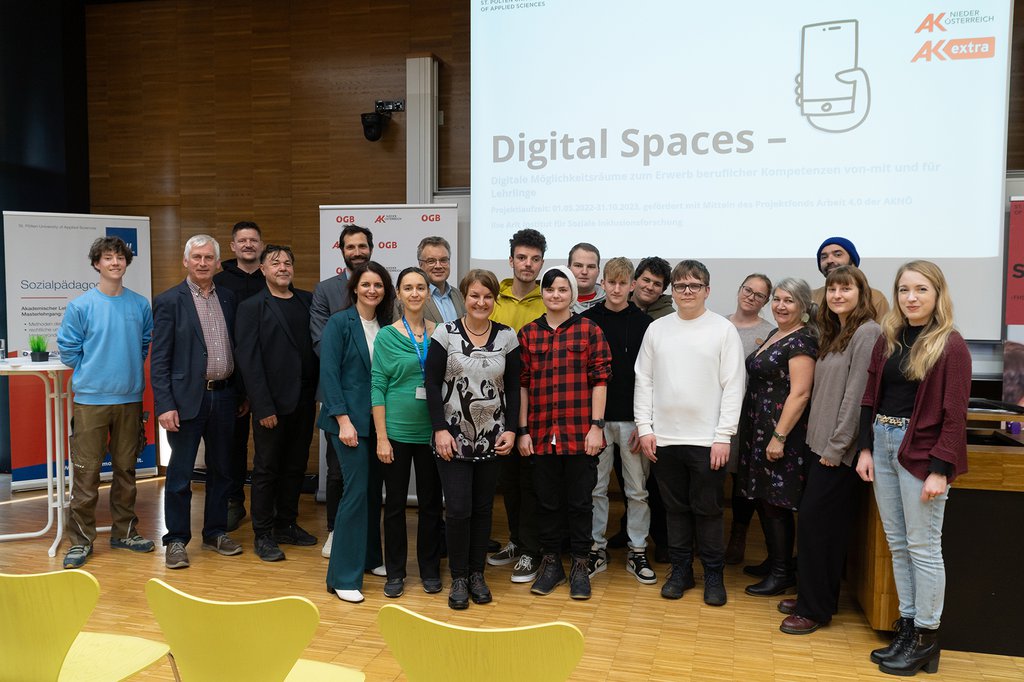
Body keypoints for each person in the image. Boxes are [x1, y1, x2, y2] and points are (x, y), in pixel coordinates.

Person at [856, 261, 970, 676]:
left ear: (937, 294)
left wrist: (941, 468)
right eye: (904, 289)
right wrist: (865, 449)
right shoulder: (888, 337)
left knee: (923, 547)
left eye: (921, 289)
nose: (911, 297)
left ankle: (926, 637)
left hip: (921, 452)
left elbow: (955, 415)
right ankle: (906, 629)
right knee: (898, 543)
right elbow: (870, 397)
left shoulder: (950, 345)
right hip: (882, 443)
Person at [634, 260, 745, 606]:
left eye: (694, 286)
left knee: (708, 510)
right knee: (675, 510)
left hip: (708, 441)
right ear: (673, 291)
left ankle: (713, 575)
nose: (686, 291)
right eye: (680, 286)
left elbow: (734, 385)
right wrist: (645, 428)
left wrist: (724, 435)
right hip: (664, 439)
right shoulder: (657, 330)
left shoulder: (723, 330)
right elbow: (644, 380)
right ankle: (681, 571)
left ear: (706, 291)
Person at [779, 265, 881, 634]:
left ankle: (814, 609)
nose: (837, 295)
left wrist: (837, 447)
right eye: (833, 289)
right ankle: (816, 596)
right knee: (823, 528)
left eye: (846, 289)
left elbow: (857, 396)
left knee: (816, 527)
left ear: (861, 293)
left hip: (838, 451)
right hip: (818, 444)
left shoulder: (868, 332)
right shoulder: (838, 332)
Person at [56, 236, 155, 569]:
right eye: (108, 258)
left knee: (126, 471)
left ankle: (125, 533)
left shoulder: (140, 305)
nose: (115, 263)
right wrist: (94, 371)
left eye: (120, 257)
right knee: (86, 474)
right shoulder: (81, 306)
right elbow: (69, 351)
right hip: (91, 401)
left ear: (126, 263)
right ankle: (80, 542)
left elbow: (144, 344)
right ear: (97, 264)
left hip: (129, 399)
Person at [425, 269, 521, 609]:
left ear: (495, 300)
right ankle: (459, 577)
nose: (481, 302)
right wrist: (439, 429)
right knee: (458, 509)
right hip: (451, 438)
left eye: (487, 296)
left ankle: (477, 574)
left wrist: (511, 429)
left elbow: (513, 388)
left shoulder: (507, 336)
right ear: (464, 298)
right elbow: (431, 384)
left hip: (493, 438)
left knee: (482, 510)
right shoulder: (445, 333)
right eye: (474, 296)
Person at [518, 266, 611, 600]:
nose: (555, 295)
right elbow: (523, 385)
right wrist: (523, 430)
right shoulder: (529, 334)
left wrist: (596, 427)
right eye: (549, 289)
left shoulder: (589, 330)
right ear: (542, 293)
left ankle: (580, 566)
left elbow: (600, 381)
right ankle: (551, 564)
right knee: (547, 503)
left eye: (562, 289)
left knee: (580, 504)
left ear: (572, 293)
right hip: (541, 434)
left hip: (580, 434)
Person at [152, 235, 245, 569]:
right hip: (185, 400)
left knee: (222, 470)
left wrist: (241, 393)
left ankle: (215, 532)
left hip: (225, 396)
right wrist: (165, 404)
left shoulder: (229, 298)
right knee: (180, 474)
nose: (203, 263)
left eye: (208, 258)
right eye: (197, 257)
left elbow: (239, 348)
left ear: (218, 263)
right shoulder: (168, 301)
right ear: (186, 261)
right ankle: (176, 540)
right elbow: (159, 359)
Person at [234, 245, 318, 562]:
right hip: (271, 404)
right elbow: (249, 360)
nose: (283, 267)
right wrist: (262, 406)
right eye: (275, 263)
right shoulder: (251, 307)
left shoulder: (307, 301)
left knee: (295, 466)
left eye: (287, 262)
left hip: (304, 401)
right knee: (267, 469)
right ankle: (263, 534)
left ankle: (286, 524)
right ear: (263, 270)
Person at [735, 278, 817, 597]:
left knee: (775, 503)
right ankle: (774, 562)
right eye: (778, 299)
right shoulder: (776, 333)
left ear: (803, 306)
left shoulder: (802, 340)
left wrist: (779, 436)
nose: (781, 306)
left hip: (781, 432)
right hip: (758, 427)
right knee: (764, 498)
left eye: (789, 301)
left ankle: (782, 573)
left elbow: (801, 393)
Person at [321, 261, 394, 603]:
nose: (372, 290)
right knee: (355, 493)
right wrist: (343, 420)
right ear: (354, 288)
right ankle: (342, 577)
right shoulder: (339, 322)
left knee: (372, 492)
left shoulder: (387, 326)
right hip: (347, 424)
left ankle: (370, 558)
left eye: (378, 285)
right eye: (366, 284)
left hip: (377, 423)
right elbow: (329, 374)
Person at [582, 257, 655, 584]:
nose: (615, 288)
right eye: (610, 282)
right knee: (596, 489)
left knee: (637, 491)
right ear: (603, 283)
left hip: (632, 422)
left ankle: (637, 550)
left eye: (622, 283)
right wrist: (590, 423)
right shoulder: (588, 320)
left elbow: (650, 377)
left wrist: (644, 423)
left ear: (632, 286)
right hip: (596, 422)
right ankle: (596, 549)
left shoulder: (645, 324)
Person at [373, 267, 444, 598]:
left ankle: (430, 570)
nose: (415, 293)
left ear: (427, 293)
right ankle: (396, 573)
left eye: (420, 288)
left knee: (431, 505)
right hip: (396, 433)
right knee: (395, 506)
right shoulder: (387, 336)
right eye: (408, 288)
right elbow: (377, 386)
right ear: (399, 295)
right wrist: (381, 437)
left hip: (432, 433)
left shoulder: (441, 333)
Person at [310, 223, 373, 558]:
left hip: (375, 402)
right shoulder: (325, 291)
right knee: (337, 472)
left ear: (371, 249)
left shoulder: (381, 288)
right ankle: (335, 531)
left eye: (362, 246)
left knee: (370, 475)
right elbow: (322, 345)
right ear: (342, 251)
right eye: (351, 247)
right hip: (340, 400)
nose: (357, 252)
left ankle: (366, 537)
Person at [487, 228, 547, 583]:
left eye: (535, 259)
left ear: (542, 263)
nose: (528, 264)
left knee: (531, 481)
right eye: (522, 257)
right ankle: (516, 540)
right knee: (507, 479)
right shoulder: (495, 298)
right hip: (495, 404)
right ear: (511, 260)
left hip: (536, 405)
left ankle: (531, 549)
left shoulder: (549, 297)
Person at [213, 220, 265, 531]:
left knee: (270, 446)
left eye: (253, 240)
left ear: (261, 245)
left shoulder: (271, 278)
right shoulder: (218, 282)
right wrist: (239, 388)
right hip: (231, 379)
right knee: (232, 446)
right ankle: (234, 501)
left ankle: (268, 505)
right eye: (242, 240)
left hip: (268, 378)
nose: (248, 245)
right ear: (233, 246)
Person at [724, 273, 776, 565]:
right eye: (748, 290)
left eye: (759, 295)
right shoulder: (717, 325)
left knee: (742, 479)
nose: (751, 297)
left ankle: (738, 536)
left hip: (750, 417)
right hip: (715, 415)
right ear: (739, 289)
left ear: (765, 301)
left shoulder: (770, 333)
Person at [813, 237, 889, 322]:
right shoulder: (811, 297)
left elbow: (884, 329)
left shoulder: (876, 297)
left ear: (852, 260)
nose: (829, 260)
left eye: (838, 255)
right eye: (824, 257)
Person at [415, 235, 466, 323]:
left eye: (443, 260)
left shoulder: (459, 295)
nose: (438, 266)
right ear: (420, 264)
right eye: (431, 261)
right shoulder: (411, 298)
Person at [568, 242, 605, 313]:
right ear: (568, 269)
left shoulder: (611, 303)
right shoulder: (553, 301)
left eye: (591, 267)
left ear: (598, 271)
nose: (584, 272)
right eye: (578, 266)